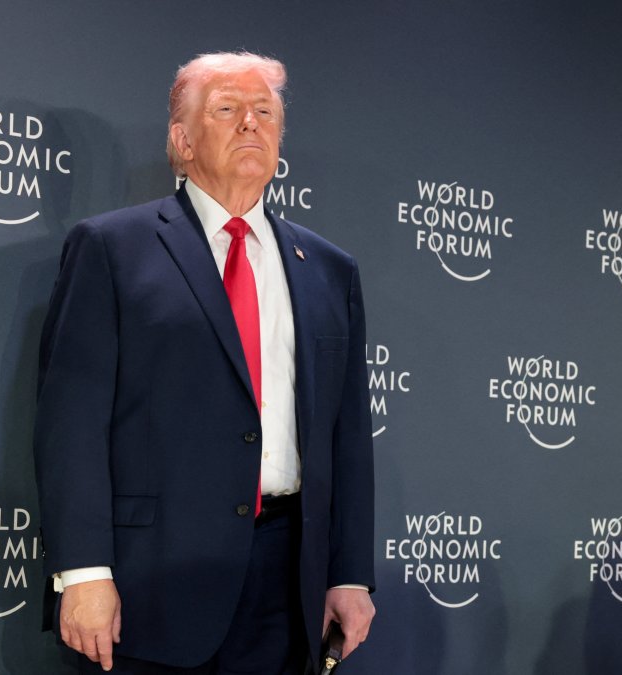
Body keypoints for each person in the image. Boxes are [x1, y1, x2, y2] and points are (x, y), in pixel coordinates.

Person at [33, 51, 375, 674]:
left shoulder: (330, 269)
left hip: (286, 583)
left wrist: (348, 573)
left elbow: (347, 434)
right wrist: (82, 571)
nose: (251, 123)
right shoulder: (111, 248)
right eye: (227, 109)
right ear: (182, 142)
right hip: (148, 582)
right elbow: (71, 425)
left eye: (265, 112)